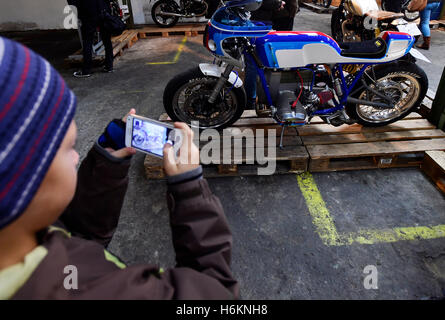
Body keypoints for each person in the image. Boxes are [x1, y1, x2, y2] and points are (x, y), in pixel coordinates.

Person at [0, 37, 239, 299]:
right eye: (69, 147)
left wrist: (106, 163)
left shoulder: (23, 236)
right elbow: (217, 293)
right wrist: (190, 189)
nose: (75, 156)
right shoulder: (109, 291)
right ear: (23, 181)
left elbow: (76, 238)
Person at [245, 0, 286, 109]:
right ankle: (251, 101)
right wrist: (277, 4)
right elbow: (258, 1)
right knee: (254, 64)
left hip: (264, 21)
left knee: (259, 63)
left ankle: (257, 99)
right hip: (258, 23)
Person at [70, 0, 114, 77]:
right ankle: (109, 66)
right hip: (103, 11)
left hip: (88, 13)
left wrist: (80, 8)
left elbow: (73, 2)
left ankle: (87, 70)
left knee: (87, 41)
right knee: (107, 39)